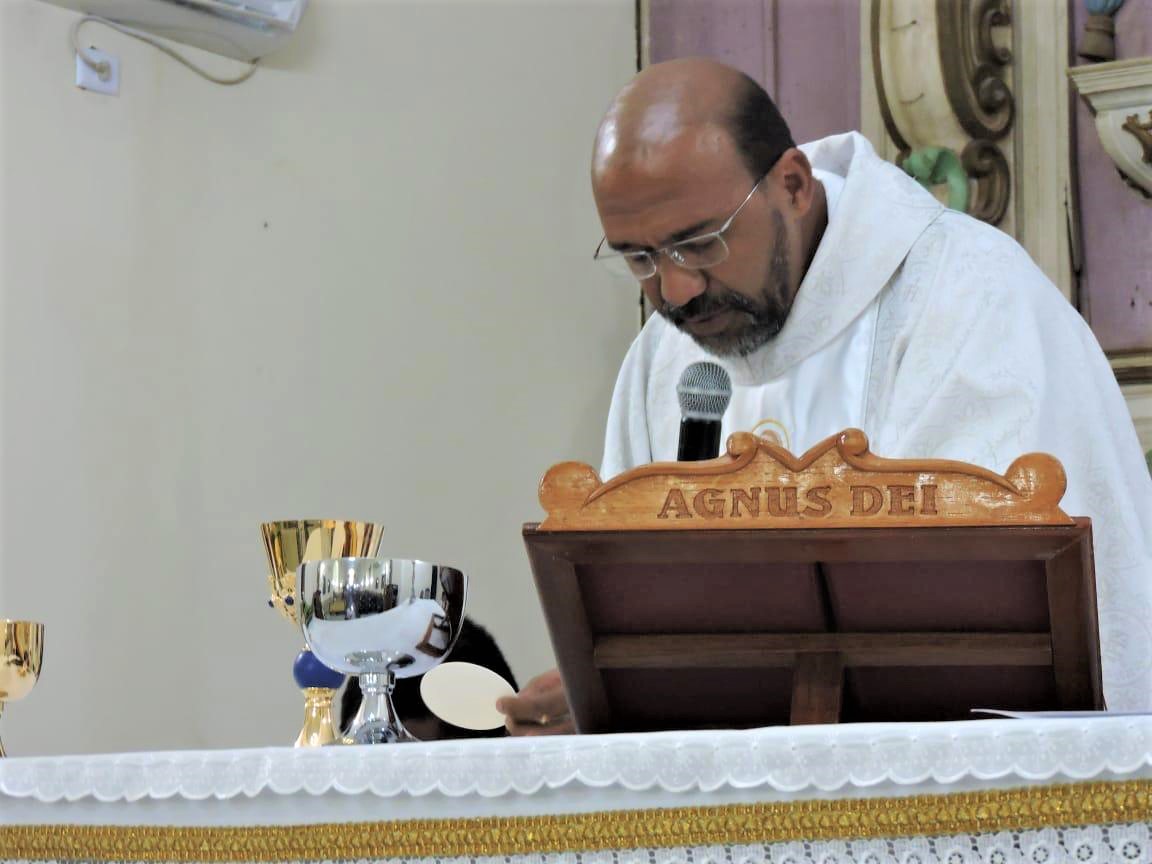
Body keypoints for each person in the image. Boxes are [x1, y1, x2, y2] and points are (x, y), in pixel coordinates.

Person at [496, 57, 1152, 735]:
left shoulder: (970, 303)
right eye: (640, 259)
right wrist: (607, 702)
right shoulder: (664, 359)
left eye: (700, 243)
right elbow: (638, 615)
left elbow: (1005, 624)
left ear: (793, 185)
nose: (676, 291)